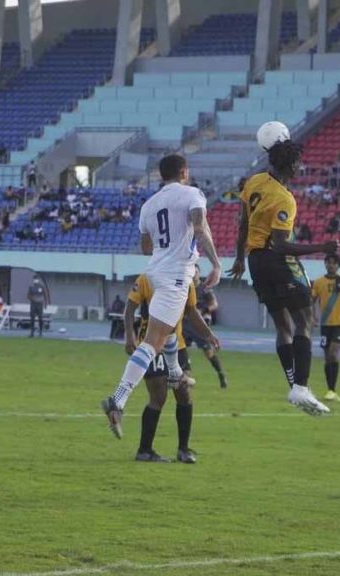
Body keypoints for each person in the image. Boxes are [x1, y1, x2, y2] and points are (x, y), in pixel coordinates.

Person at [101, 154, 222, 439]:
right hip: (176, 275)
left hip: (156, 270)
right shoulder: (193, 193)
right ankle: (117, 399)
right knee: (152, 342)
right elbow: (200, 227)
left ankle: (174, 371)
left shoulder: (148, 205)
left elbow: (146, 246)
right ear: (183, 172)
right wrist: (215, 263)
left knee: (168, 329)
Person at [226, 124, 337, 416]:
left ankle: (294, 386)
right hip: (276, 261)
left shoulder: (254, 181)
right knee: (306, 320)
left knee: (283, 327)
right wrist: (322, 247)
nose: (301, 166)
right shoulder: (285, 199)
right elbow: (281, 246)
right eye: (298, 162)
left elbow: (243, 224)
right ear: (291, 165)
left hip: (253, 261)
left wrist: (239, 258)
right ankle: (300, 387)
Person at [125, 273, 218, 463]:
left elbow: (192, 311)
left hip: (178, 346)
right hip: (152, 345)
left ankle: (184, 450)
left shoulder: (186, 281)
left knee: (184, 393)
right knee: (159, 397)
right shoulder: (147, 278)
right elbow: (129, 308)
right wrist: (129, 337)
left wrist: (208, 334)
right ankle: (144, 450)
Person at [311, 254, 340, 403]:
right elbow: (313, 301)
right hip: (325, 324)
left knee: (333, 354)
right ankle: (330, 389)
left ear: (338, 265)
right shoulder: (318, 282)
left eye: (334, 263)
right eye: (328, 263)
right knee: (327, 357)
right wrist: (313, 317)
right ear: (325, 264)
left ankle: (332, 390)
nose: (331, 265)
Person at [183, 267, 229, 389]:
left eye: (196, 272)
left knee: (208, 353)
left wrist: (203, 310)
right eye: (192, 272)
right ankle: (187, 378)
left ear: (199, 274)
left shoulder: (205, 289)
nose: (193, 275)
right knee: (181, 351)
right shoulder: (185, 287)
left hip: (199, 326)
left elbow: (214, 304)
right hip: (184, 325)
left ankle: (221, 374)